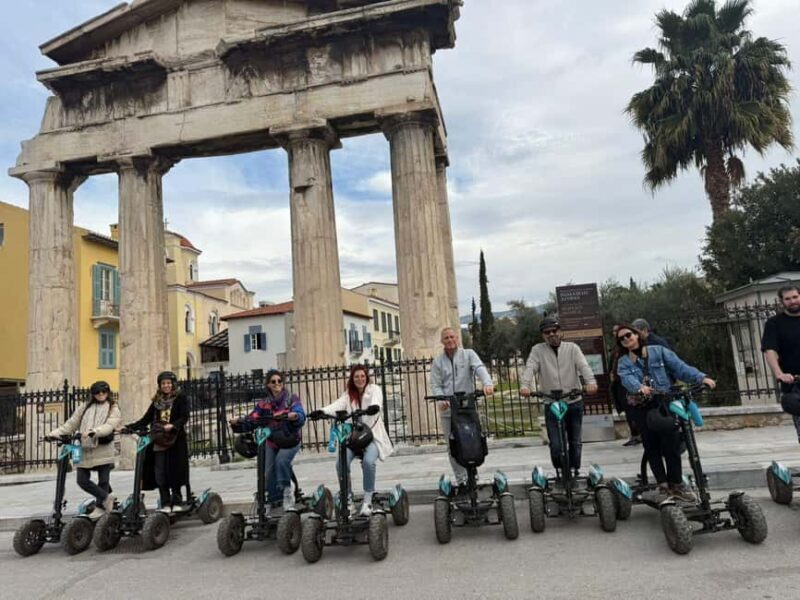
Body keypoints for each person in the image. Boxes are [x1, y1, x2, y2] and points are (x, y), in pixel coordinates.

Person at [615, 324, 716, 502]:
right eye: (621, 339)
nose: (626, 339)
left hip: (664, 401)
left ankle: (676, 483)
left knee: (672, 439)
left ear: (637, 335)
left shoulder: (659, 351)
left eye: (628, 335)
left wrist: (701, 378)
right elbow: (627, 379)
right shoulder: (624, 362)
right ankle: (663, 484)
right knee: (651, 444)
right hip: (643, 406)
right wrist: (639, 387)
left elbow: (680, 368)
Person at [520, 316, 598, 477]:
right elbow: (530, 367)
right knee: (556, 444)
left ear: (560, 332)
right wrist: (525, 386)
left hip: (573, 401)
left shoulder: (572, 348)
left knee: (575, 442)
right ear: (543, 335)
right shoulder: (537, 350)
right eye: (547, 332)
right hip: (551, 403)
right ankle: (561, 470)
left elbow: (584, 366)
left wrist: (590, 382)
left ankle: (575, 470)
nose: (551, 334)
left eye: (554, 331)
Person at [311, 364, 393, 516]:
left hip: (372, 436)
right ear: (352, 379)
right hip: (355, 438)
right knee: (340, 463)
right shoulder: (349, 394)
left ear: (366, 377)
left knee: (368, 462)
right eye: (356, 377)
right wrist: (322, 411)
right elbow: (337, 405)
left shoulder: (374, 389)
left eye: (362, 376)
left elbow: (377, 401)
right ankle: (347, 498)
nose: (360, 379)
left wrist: (374, 407)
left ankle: (368, 500)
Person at [230, 368, 305, 511]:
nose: (277, 384)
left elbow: (300, 413)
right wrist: (238, 422)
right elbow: (252, 419)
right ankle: (271, 499)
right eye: (273, 382)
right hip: (272, 440)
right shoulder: (263, 404)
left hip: (290, 439)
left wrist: (294, 416)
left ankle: (288, 492)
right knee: (267, 471)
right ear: (268, 385)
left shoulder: (291, 399)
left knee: (281, 461)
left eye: (279, 381)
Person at [429, 327, 494, 489]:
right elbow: (436, 385)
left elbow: (479, 368)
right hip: (448, 409)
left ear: (457, 338)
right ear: (441, 341)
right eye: (446, 338)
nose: (450, 340)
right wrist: (441, 399)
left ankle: (473, 474)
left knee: (472, 440)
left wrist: (487, 383)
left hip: (467, 407)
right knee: (452, 446)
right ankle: (462, 480)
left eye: (452, 337)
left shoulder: (468, 354)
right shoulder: (438, 362)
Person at [48, 380, 122, 520]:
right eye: (98, 392)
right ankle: (107, 497)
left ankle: (101, 506)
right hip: (84, 447)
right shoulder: (84, 407)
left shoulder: (113, 408)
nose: (101, 394)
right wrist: (53, 434)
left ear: (108, 393)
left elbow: (110, 425)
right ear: (93, 394)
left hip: (103, 448)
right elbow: (71, 424)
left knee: (103, 481)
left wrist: (95, 431)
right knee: (82, 480)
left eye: (104, 392)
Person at [126, 371, 191, 512]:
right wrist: (128, 428)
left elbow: (184, 416)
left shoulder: (181, 398)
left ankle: (177, 501)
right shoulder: (157, 402)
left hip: (175, 440)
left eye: (168, 383)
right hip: (159, 441)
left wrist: (173, 425)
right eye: (163, 383)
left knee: (175, 471)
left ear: (173, 384)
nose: (166, 386)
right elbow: (146, 419)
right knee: (160, 473)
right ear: (160, 386)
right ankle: (166, 502)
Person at [761, 284, 800, 443]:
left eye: (795, 297)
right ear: (782, 302)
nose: (793, 301)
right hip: (795, 383)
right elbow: (769, 350)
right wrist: (779, 374)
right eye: (788, 299)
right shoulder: (774, 323)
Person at [609, 325, 641, 447]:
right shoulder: (617, 349)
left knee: (633, 410)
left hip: (629, 386)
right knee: (628, 411)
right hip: (619, 385)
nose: (624, 338)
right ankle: (635, 434)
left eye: (627, 335)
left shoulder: (631, 349)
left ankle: (638, 434)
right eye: (616, 332)